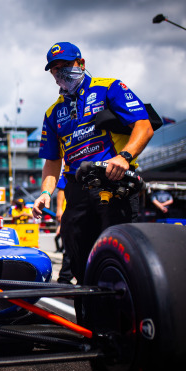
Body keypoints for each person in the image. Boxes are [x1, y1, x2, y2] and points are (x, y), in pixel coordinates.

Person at [32, 42, 153, 299]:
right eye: (54, 69)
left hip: (114, 183)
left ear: (81, 63)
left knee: (120, 258)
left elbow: (143, 126)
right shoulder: (53, 113)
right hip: (77, 190)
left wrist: (124, 157)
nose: (60, 72)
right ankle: (90, 323)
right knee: (80, 262)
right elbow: (52, 161)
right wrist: (45, 193)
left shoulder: (109, 87)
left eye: (65, 66)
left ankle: (129, 318)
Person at [54, 175, 74, 285]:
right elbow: (61, 189)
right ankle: (64, 278)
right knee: (71, 246)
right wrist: (59, 209)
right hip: (71, 212)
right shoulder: (71, 165)